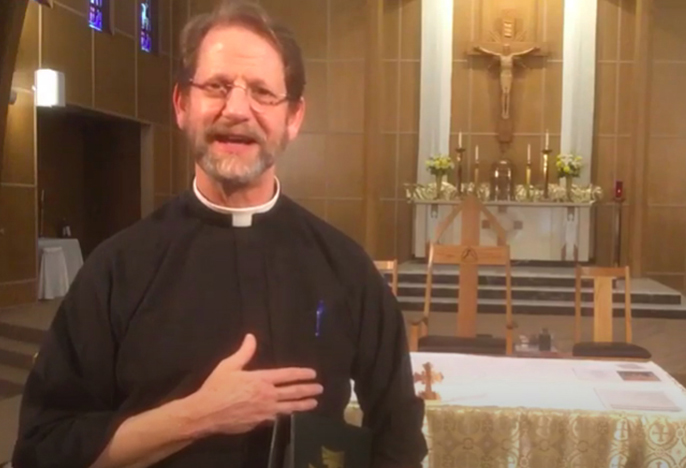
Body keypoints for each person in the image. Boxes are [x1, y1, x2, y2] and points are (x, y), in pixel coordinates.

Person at [11, 1, 427, 468]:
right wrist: (196, 416)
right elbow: (41, 448)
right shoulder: (116, 270)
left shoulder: (346, 269)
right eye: (216, 86)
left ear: (293, 117)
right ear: (182, 105)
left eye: (262, 93)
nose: (236, 109)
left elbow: (399, 436)